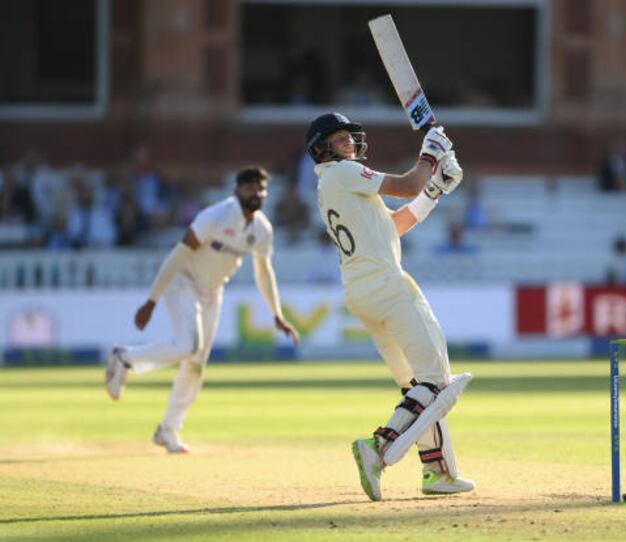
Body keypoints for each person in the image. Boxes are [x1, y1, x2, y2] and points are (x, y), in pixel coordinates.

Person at [307, 112, 474, 501]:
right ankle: (377, 449)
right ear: (321, 148)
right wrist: (430, 154)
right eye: (338, 137)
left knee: (416, 386)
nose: (348, 140)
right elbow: (405, 184)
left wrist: (434, 190)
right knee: (436, 383)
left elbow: (395, 224)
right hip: (388, 287)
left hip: (363, 293)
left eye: (349, 134)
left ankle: (438, 471)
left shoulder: (337, 184)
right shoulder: (342, 174)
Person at [105, 166, 299, 453]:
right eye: (249, 188)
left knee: (195, 364)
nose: (256, 194)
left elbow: (263, 273)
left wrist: (277, 315)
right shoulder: (216, 216)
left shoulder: (262, 229)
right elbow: (178, 255)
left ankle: (168, 430)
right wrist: (152, 300)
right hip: (182, 283)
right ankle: (125, 358)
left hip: (212, 292)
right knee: (187, 345)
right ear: (237, 192)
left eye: (261, 189)